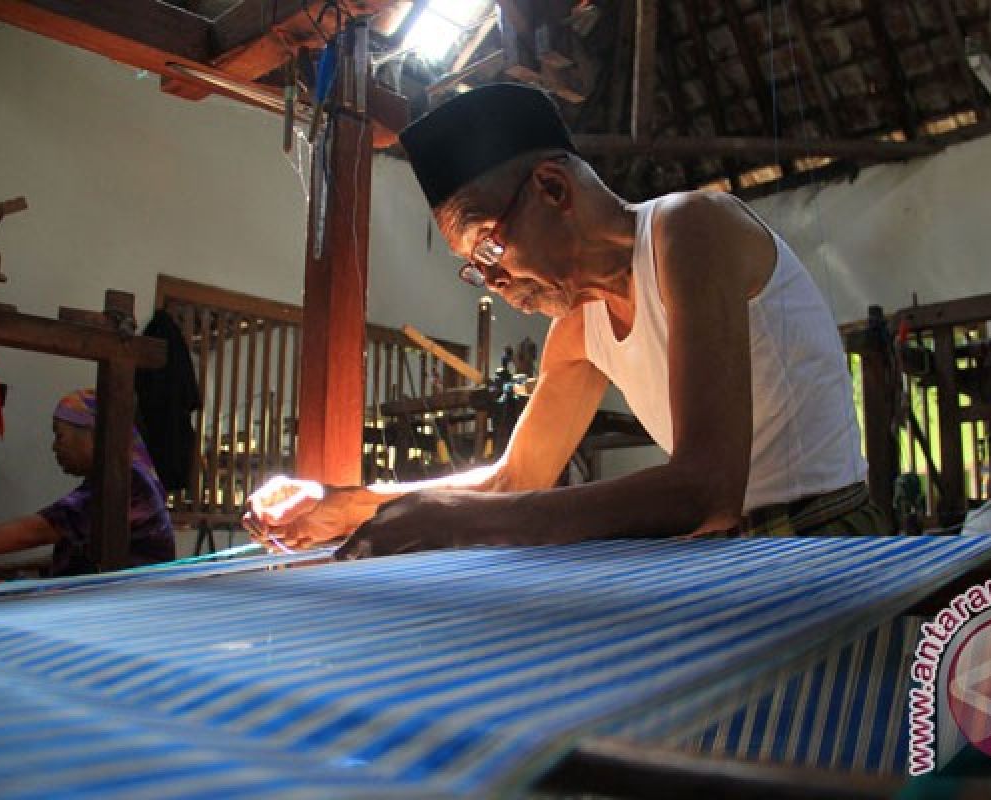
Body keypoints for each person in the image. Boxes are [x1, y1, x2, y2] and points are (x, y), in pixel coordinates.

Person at [245, 83, 890, 559]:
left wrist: (459, 522)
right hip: (728, 555)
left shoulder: (690, 230)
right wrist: (344, 504)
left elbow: (708, 489)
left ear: (554, 190)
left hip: (823, 541)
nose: (493, 284)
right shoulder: (579, 331)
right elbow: (515, 478)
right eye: (475, 269)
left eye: (489, 249)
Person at [0, 388, 176, 577]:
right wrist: (5, 567)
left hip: (133, 605)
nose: (55, 447)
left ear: (95, 435)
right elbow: (76, 547)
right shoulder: (119, 478)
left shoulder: (127, 481)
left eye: (60, 435)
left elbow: (40, 530)